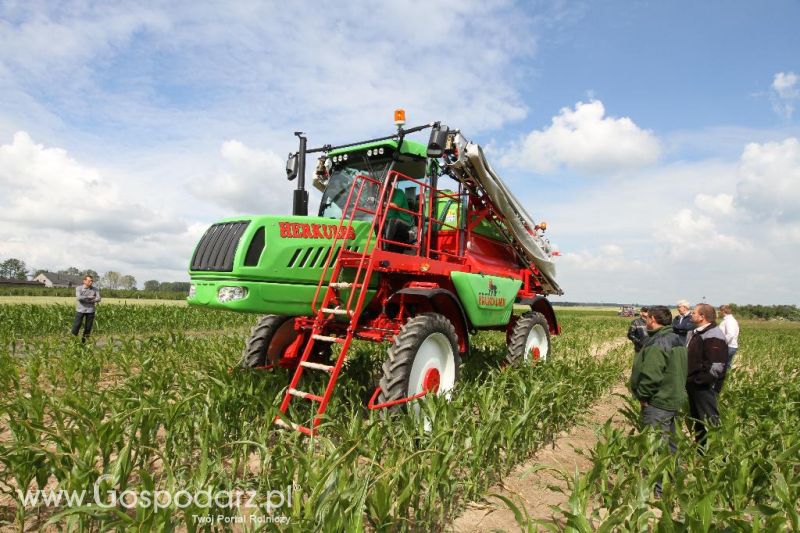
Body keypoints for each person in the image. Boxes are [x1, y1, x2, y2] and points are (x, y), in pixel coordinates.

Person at [629, 305, 687, 497]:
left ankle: (658, 488)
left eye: (647, 319)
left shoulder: (658, 342)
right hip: (672, 398)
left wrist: (644, 397)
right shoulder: (676, 339)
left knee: (655, 445)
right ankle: (673, 481)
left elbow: (651, 376)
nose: (645, 321)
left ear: (653, 319)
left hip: (658, 401)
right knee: (671, 444)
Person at [686, 303, 728, 450]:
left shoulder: (713, 335)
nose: (691, 314)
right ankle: (702, 451)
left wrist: (699, 381)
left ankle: (716, 455)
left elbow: (716, 366)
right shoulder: (697, 332)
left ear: (702, 316)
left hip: (704, 387)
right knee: (698, 420)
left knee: (710, 421)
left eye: (694, 312)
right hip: (694, 384)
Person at [72, 275, 101, 341]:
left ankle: (84, 342)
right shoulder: (78, 288)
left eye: (92, 281)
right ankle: (73, 341)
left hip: (90, 311)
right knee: (76, 326)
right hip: (80, 310)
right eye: (89, 281)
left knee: (88, 327)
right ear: (84, 281)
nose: (91, 282)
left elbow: (99, 299)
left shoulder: (95, 289)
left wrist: (87, 299)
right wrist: (90, 297)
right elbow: (79, 298)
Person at [718, 304, 740, 369]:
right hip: (730, 346)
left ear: (723, 311)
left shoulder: (729, 321)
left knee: (722, 366)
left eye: (720, 312)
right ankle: (728, 378)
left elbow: (730, 334)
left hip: (728, 347)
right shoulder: (730, 320)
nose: (720, 313)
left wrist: (722, 343)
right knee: (726, 366)